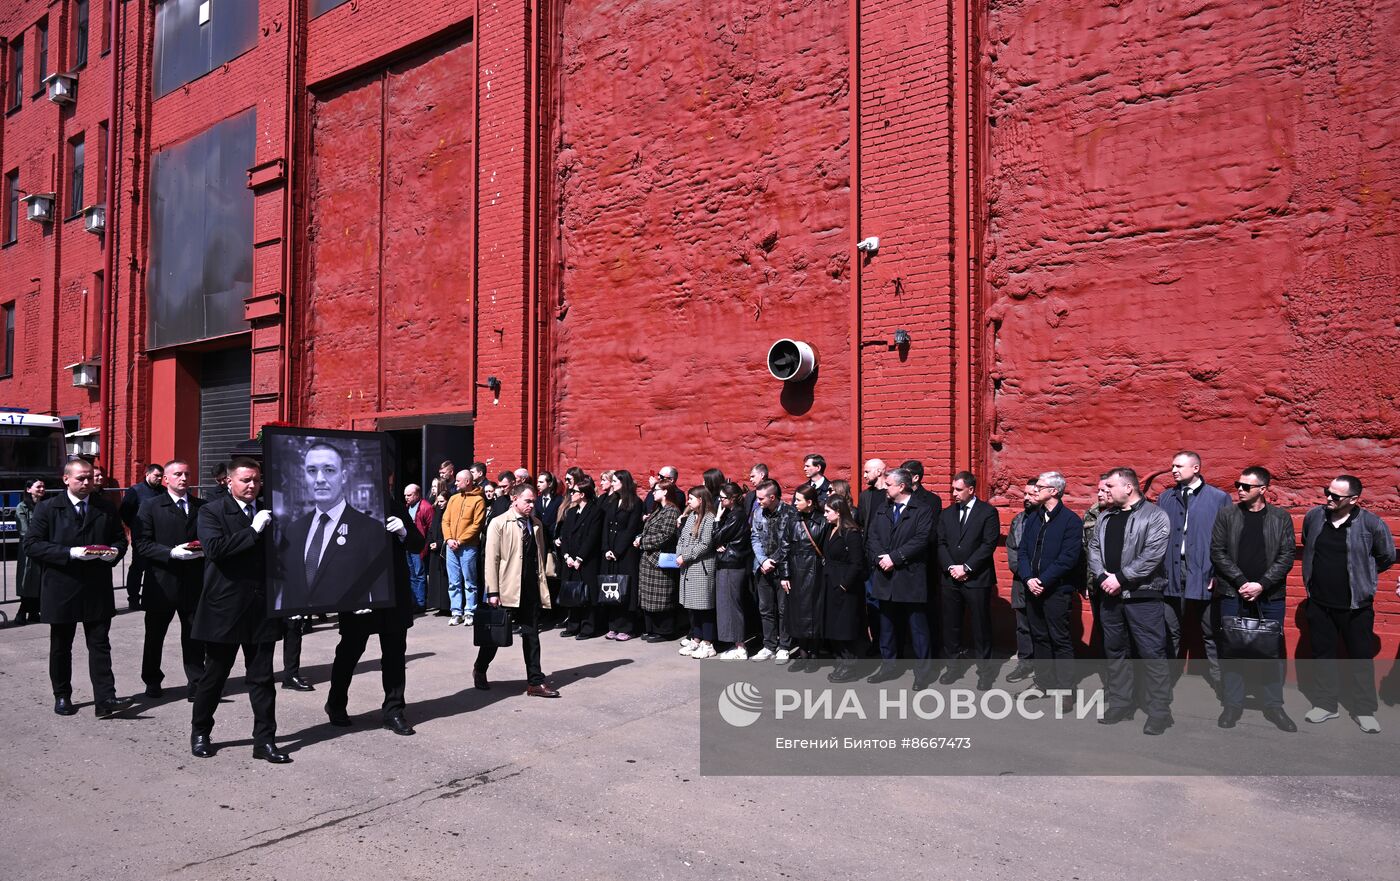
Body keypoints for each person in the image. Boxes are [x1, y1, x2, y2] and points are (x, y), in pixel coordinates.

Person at [190, 458, 289, 763]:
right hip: (225, 606)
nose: (251, 486)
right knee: (215, 675)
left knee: (262, 679)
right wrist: (254, 530)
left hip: (261, 607)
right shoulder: (211, 511)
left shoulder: (270, 511)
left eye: (256, 480)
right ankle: (201, 731)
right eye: (245, 480)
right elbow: (216, 549)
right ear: (229, 482)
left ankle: (265, 741)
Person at [22, 458, 133, 718]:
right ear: (66, 479)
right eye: (81, 478)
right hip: (62, 587)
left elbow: (119, 538)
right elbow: (32, 544)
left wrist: (114, 552)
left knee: (100, 644)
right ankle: (62, 695)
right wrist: (69, 553)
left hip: (96, 587)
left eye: (90, 478)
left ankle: (105, 698)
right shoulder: (49, 508)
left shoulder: (105, 507)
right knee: (62, 646)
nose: (86, 483)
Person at [1299, 474, 1395, 734]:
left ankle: (1364, 710)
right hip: (1319, 602)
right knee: (1322, 657)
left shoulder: (1371, 524)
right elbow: (1308, 543)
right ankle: (1326, 705)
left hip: (1356, 606)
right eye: (1326, 492)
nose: (1328, 498)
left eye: (1335, 496)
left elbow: (1387, 556)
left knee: (1360, 659)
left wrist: (1365, 578)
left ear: (1353, 499)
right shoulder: (1314, 517)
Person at [325, 493, 425, 735]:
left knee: (394, 655)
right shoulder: (345, 506)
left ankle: (393, 711)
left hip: (391, 595)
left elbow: (417, 544)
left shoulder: (393, 506)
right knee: (349, 652)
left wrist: (403, 532)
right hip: (358, 595)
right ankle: (336, 703)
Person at [1209, 466, 1297, 732]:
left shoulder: (1281, 517)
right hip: (1233, 593)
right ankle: (1232, 704)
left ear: (1263, 489)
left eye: (1246, 486)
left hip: (1270, 595)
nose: (1240, 489)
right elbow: (1217, 551)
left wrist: (1262, 584)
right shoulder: (1227, 514)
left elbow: (1287, 555)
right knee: (1232, 648)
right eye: (1238, 484)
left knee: (1270, 650)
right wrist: (1241, 583)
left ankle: (1273, 705)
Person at [1088, 467, 1173, 736]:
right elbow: (1092, 549)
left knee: (1151, 654)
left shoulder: (1156, 516)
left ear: (1128, 487)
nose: (1105, 491)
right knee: (1116, 653)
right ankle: (1121, 704)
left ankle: (1159, 712)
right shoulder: (1104, 517)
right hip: (1109, 597)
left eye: (1110, 486)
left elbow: (1152, 555)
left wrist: (1121, 578)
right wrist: (1103, 576)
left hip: (1143, 597)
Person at [274, 442, 390, 613]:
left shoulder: (370, 529)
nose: (320, 479)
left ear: (343, 477)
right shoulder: (294, 530)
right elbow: (290, 587)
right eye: (312, 471)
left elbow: (380, 587)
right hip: (306, 632)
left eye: (329, 470)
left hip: (351, 622)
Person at [474, 484, 560, 698]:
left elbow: (539, 558)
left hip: (530, 588)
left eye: (533, 501)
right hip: (506, 588)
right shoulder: (499, 523)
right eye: (527, 501)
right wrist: (492, 591)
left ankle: (535, 682)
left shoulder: (537, 524)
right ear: (514, 499)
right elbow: (491, 559)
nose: (532, 505)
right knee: (495, 635)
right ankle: (480, 668)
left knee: (532, 635)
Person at [132, 460, 207, 699]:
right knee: (155, 635)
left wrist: (203, 549)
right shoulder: (150, 507)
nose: (183, 478)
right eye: (177, 474)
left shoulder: (201, 506)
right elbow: (142, 543)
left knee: (195, 634)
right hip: (161, 582)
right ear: (166, 479)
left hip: (193, 581)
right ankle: (152, 679)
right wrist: (170, 553)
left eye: (186, 474)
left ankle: (197, 681)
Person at [1158, 451, 1230, 688]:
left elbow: (1228, 539)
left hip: (1205, 572)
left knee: (1211, 632)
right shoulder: (1165, 497)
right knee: (1169, 629)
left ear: (1196, 468)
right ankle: (1165, 681)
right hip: (1171, 572)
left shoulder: (1218, 498)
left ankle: (1222, 684)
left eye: (1179, 465)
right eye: (1172, 466)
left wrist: (1219, 574)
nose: (1173, 470)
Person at [1015, 472, 1083, 709]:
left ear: (1054, 491)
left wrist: (1042, 581)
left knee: (1060, 640)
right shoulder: (1033, 517)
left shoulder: (1071, 521)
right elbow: (1022, 551)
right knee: (1039, 638)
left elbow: (1068, 559)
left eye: (1040, 487)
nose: (1035, 490)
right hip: (1032, 588)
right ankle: (1043, 683)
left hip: (1056, 591)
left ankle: (1065, 690)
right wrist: (1028, 578)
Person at [865, 468, 937, 688]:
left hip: (910, 577)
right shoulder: (882, 509)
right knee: (886, 627)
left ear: (901, 486)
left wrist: (895, 558)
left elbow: (921, 539)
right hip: (884, 577)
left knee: (918, 627)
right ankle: (888, 666)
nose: (885, 488)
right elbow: (873, 536)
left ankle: (923, 672)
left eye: (888, 484)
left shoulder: (922, 510)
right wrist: (881, 559)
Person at [936, 471, 1001, 689]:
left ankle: (985, 672)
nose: (953, 493)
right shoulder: (946, 514)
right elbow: (941, 543)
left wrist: (966, 568)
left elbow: (988, 544)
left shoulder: (987, 512)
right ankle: (953, 667)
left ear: (971, 490)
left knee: (981, 627)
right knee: (951, 626)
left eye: (958, 489)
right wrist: (950, 567)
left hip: (977, 579)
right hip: (950, 579)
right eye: (952, 489)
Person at [780, 484, 828, 669]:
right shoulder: (792, 520)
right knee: (796, 614)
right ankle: (802, 652)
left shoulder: (822, 521)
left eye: (798, 500)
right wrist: (785, 575)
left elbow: (826, 550)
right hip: (795, 572)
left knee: (814, 614)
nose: (794, 503)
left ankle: (813, 654)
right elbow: (784, 548)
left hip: (815, 572)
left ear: (809, 502)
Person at [749, 478, 797, 661]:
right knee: (765, 608)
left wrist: (773, 561)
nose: (758, 502)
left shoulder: (790, 513)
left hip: (782, 568)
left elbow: (789, 542)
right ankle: (769, 644)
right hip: (762, 568)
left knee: (784, 609)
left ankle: (784, 645)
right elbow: (754, 537)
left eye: (761, 498)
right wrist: (762, 561)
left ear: (773, 497)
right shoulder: (758, 513)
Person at [900, 459, 944, 659]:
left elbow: (928, 535)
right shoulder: (896, 497)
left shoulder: (931, 500)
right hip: (899, 563)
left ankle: (931, 652)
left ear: (916, 477)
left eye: (905, 474)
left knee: (926, 610)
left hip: (922, 564)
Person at [822, 496, 867, 682]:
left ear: (838, 512)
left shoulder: (851, 533)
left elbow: (857, 563)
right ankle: (840, 661)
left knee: (845, 627)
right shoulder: (830, 529)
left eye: (827, 511)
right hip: (830, 583)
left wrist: (843, 585)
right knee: (834, 626)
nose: (825, 515)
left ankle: (850, 666)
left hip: (845, 587)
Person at [600, 470, 644, 640]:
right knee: (611, 588)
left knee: (625, 588)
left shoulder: (635, 502)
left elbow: (631, 529)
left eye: (616, 480)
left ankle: (627, 627)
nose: (612, 483)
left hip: (625, 553)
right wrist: (606, 549)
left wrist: (617, 550)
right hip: (610, 551)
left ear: (624, 482)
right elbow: (605, 526)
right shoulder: (612, 501)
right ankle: (613, 625)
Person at [557, 475, 603, 637]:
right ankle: (573, 625)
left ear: (582, 494)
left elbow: (592, 537)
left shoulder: (595, 511)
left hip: (585, 561)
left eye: (574, 491)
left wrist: (579, 558)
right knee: (572, 593)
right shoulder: (571, 512)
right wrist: (567, 556)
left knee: (587, 594)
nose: (571, 494)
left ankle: (587, 627)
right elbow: (566, 536)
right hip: (570, 560)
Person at [676, 486, 719, 659]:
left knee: (704, 608)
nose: (688, 501)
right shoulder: (691, 517)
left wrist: (685, 556)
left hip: (701, 567)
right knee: (694, 608)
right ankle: (696, 638)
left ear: (701, 500)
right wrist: (679, 553)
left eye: (691, 498)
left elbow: (705, 544)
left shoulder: (709, 518)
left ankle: (708, 643)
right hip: (687, 567)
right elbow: (682, 538)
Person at [440, 469, 487, 626]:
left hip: (468, 547)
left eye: (459, 480)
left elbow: (477, 525)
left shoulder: (478, 501)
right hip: (451, 546)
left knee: (469, 581)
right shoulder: (453, 499)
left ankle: (469, 612)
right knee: (454, 581)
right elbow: (445, 520)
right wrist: (448, 539)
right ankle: (456, 612)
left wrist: (460, 540)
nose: (455, 483)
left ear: (468, 481)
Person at [637, 484, 683, 641]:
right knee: (649, 597)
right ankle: (651, 628)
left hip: (660, 559)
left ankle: (665, 631)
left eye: (656, 490)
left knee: (661, 596)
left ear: (665, 492)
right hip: (649, 558)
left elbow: (665, 535)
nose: (652, 493)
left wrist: (643, 541)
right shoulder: (658, 509)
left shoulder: (671, 511)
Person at [1002, 480, 1037, 683]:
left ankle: (1044, 669)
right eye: (1025, 494)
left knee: (1043, 627)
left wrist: (1039, 577)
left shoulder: (1051, 520)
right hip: (1021, 582)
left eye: (1031, 494)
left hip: (1044, 584)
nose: (1026, 498)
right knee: (1023, 625)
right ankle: (1025, 663)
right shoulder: (1019, 520)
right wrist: (1026, 575)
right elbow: (1012, 551)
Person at [712, 482, 752, 659]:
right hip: (728, 563)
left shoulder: (736, 516)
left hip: (732, 564)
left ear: (732, 498)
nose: (720, 501)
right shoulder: (733, 514)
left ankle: (740, 646)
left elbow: (716, 536)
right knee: (727, 604)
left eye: (723, 498)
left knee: (733, 605)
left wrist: (717, 520)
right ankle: (736, 644)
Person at [119, 463, 165, 610]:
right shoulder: (136, 491)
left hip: (160, 536)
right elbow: (125, 511)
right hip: (142, 536)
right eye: (156, 475)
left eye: (161, 476)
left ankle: (155, 596)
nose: (159, 479)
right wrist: (134, 526)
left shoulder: (163, 491)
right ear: (147, 474)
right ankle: (133, 598)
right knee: (138, 567)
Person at [13, 478, 45, 625]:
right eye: (38, 487)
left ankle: (33, 612)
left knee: (39, 580)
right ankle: (22, 612)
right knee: (27, 580)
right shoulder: (22, 507)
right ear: (28, 489)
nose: (42, 489)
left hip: (44, 547)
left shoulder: (45, 506)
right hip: (29, 548)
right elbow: (24, 529)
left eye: (43, 487)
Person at [404, 484, 432, 611]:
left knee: (419, 574)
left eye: (409, 495)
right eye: (405, 495)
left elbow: (431, 528)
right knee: (411, 575)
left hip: (419, 546)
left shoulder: (426, 507)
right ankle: (413, 601)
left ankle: (420, 603)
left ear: (417, 494)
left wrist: (426, 546)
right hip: (408, 545)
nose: (406, 498)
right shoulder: (407, 507)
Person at [424, 487, 451, 614]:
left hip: (444, 550)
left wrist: (439, 544)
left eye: (442, 501)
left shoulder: (449, 513)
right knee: (435, 578)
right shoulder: (437, 513)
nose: (439, 504)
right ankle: (438, 604)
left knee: (445, 579)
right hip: (435, 550)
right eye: (438, 501)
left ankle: (446, 605)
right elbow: (431, 529)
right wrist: (430, 542)